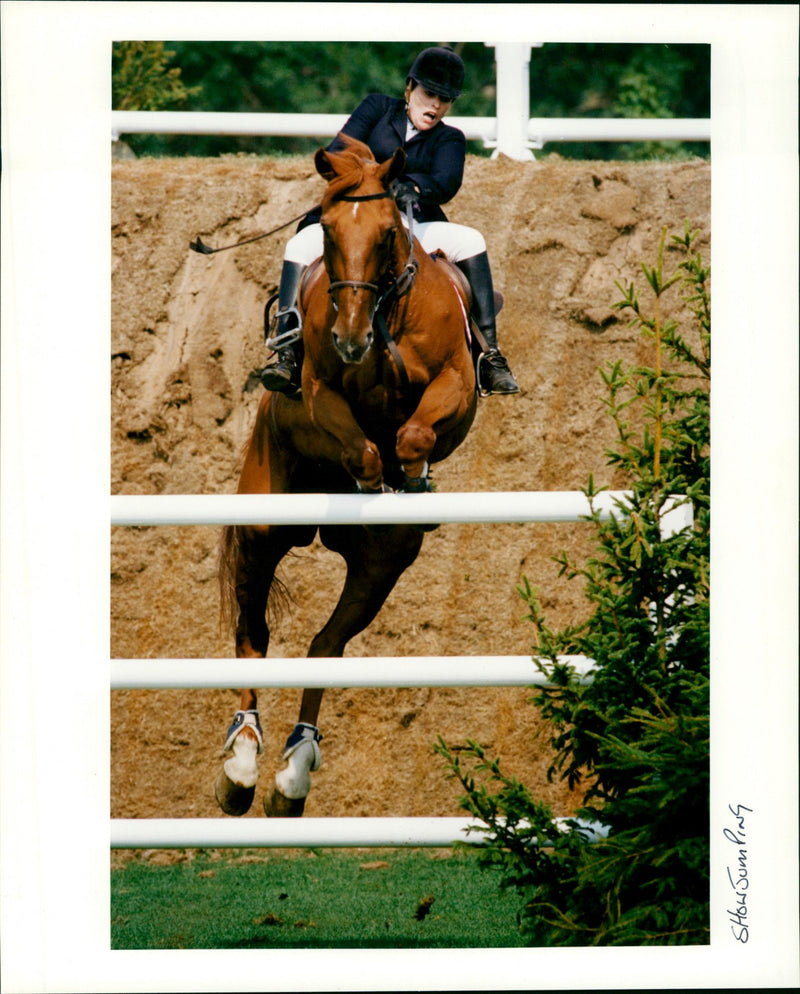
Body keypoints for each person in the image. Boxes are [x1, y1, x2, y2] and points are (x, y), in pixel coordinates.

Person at [260, 45, 520, 397]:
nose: (435, 106)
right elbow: (339, 152)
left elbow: (445, 182)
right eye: (429, 94)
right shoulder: (376, 109)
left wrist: (412, 186)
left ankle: (490, 356)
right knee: (297, 245)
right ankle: (287, 350)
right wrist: (375, 177)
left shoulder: (450, 138)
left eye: (445, 100)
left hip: (413, 222)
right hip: (358, 217)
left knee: (473, 240)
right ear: (410, 88)